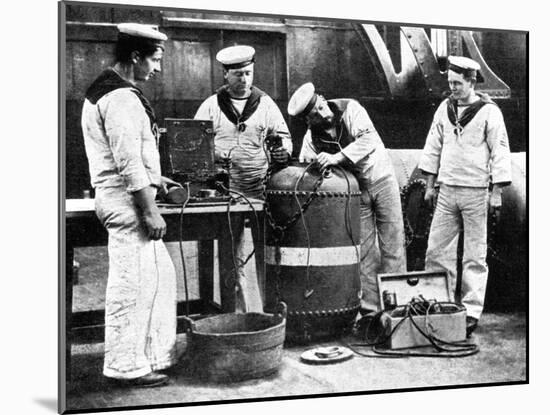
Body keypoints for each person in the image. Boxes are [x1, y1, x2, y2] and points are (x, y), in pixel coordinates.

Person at [81, 23, 180, 387]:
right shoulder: (120, 96)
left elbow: (131, 155)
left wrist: (157, 181)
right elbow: (127, 161)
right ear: (135, 57)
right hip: (128, 204)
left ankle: (153, 356)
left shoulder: (107, 89)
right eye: (154, 59)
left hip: (130, 196)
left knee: (160, 277)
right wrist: (149, 209)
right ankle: (125, 367)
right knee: (131, 286)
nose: (157, 68)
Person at [288, 82, 406, 313]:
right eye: (315, 114)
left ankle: (396, 308)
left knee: (393, 245)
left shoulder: (351, 109)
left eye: (322, 106)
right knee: (365, 252)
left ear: (323, 98)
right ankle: (371, 310)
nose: (324, 114)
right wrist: (320, 168)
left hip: (382, 180)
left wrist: (336, 158)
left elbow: (369, 140)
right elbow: (306, 167)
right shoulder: (311, 140)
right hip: (356, 192)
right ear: (308, 121)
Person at [194, 45, 292, 312]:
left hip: (260, 189)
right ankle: (234, 311)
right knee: (231, 251)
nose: (245, 80)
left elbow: (285, 138)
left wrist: (284, 151)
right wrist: (213, 160)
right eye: (238, 74)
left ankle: (264, 310)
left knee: (263, 249)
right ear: (226, 75)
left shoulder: (266, 104)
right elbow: (194, 144)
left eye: (248, 73)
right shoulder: (211, 106)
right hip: (226, 190)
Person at [419, 56, 512, 337]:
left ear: (472, 82)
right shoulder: (444, 109)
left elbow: (500, 151)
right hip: (447, 190)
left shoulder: (489, 112)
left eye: (458, 83)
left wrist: (496, 192)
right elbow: (433, 146)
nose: (453, 89)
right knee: (437, 250)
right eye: (450, 83)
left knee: (474, 254)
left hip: (475, 191)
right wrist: (429, 185)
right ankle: (440, 303)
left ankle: (470, 311)